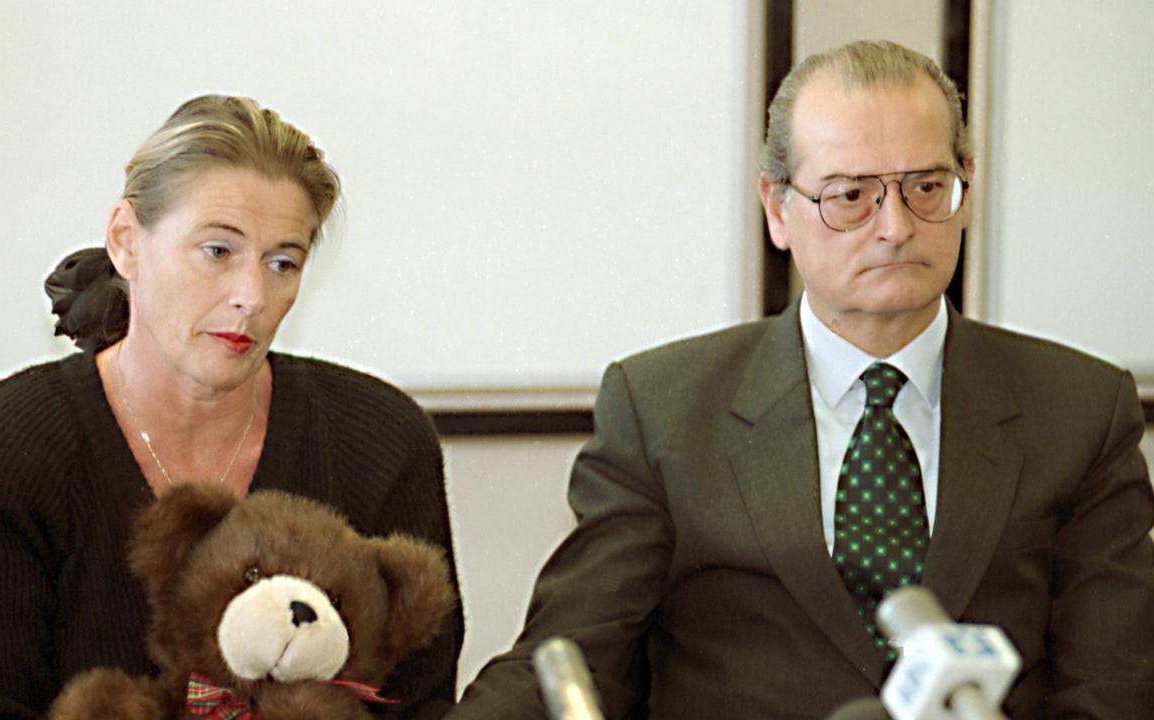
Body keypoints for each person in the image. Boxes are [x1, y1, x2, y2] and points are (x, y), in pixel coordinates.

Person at [447, 41, 1154, 718]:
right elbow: (571, 656)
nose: (895, 227)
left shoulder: (1080, 411)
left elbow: (1114, 686)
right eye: (851, 195)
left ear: (966, 184)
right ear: (778, 208)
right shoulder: (663, 409)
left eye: (926, 187)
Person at [0, 95, 464, 719]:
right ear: (126, 241)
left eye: (283, 262)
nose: (251, 297)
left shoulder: (381, 441)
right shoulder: (9, 445)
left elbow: (417, 705)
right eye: (218, 252)